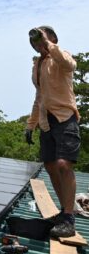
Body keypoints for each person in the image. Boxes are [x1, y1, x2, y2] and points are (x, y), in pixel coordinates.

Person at [26, 26, 80, 238]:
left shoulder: (62, 57)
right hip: (46, 120)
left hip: (65, 117)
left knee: (63, 164)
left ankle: (69, 218)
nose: (39, 46)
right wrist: (31, 125)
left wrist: (49, 44)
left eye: (42, 41)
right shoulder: (38, 65)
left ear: (53, 40)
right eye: (35, 44)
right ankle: (64, 212)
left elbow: (70, 65)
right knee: (50, 166)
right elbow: (39, 97)